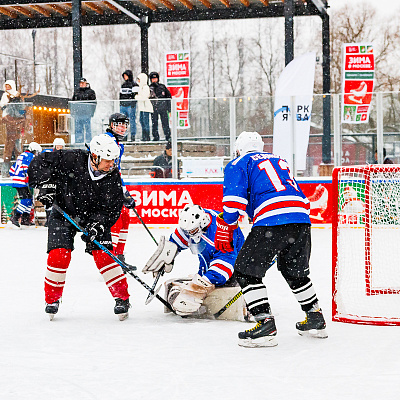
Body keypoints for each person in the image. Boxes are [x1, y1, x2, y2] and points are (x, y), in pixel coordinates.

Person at [214, 131, 327, 347]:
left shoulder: (238, 162)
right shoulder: (279, 160)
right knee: (295, 271)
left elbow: (232, 206)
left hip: (272, 220)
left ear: (238, 148)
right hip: (301, 218)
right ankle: (315, 317)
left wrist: (225, 224)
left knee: (245, 271)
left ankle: (265, 324)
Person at [27, 134, 131, 321]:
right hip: (63, 213)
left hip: (93, 218)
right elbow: (38, 163)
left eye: (113, 160)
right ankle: (52, 300)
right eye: (108, 160)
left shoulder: (113, 176)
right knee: (59, 255)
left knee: (104, 256)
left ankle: (122, 298)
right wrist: (45, 185)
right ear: (94, 156)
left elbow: (112, 208)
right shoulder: (71, 158)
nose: (111, 164)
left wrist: (99, 225)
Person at [143, 204, 245, 318]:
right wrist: (168, 254)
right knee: (182, 286)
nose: (190, 234)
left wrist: (201, 285)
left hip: (236, 267)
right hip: (210, 261)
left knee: (221, 279)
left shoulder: (221, 232)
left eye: (193, 231)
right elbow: (177, 240)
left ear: (203, 223)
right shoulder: (192, 224)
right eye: (187, 231)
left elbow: (226, 263)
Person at [104, 113, 136, 269]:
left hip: (114, 185)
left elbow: (117, 170)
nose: (122, 128)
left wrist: (124, 190)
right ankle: (111, 259)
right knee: (116, 220)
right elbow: (105, 169)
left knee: (125, 218)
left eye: (124, 125)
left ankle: (119, 256)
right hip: (106, 188)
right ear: (111, 125)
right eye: (119, 124)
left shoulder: (118, 143)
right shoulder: (106, 141)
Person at [8, 142, 42, 229]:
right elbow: (29, 169)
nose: (37, 154)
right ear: (34, 150)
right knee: (26, 199)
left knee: (29, 199)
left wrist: (16, 177)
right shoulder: (30, 156)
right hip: (22, 181)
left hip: (17, 181)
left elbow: (11, 170)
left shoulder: (22, 155)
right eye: (37, 152)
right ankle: (15, 217)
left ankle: (25, 219)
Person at [0, 80, 25, 178]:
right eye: (6, 86)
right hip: (9, 124)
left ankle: (19, 170)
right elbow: (3, 106)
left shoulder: (17, 95)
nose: (7, 88)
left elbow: (22, 107)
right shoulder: (4, 95)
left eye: (8, 86)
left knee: (18, 147)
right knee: (8, 148)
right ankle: (5, 172)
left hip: (17, 122)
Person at [71, 77, 96, 144]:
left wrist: (92, 113)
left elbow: (93, 103)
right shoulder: (76, 92)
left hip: (86, 114)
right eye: (80, 83)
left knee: (88, 129)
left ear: (86, 83)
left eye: (83, 83)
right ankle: (79, 142)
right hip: (78, 114)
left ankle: (88, 142)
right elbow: (73, 102)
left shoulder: (90, 92)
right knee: (78, 129)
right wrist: (73, 112)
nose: (81, 85)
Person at [149, 71, 171, 141]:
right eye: (152, 79)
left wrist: (169, 109)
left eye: (155, 78)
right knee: (154, 123)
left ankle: (168, 136)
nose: (154, 80)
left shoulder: (162, 87)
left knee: (165, 123)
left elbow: (169, 97)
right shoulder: (149, 88)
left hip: (163, 108)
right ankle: (155, 136)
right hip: (153, 108)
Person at [119, 70, 139, 142]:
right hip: (123, 105)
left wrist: (133, 104)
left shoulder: (134, 85)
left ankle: (133, 135)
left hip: (130, 106)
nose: (125, 77)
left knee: (132, 120)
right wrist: (120, 104)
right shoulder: (123, 85)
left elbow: (135, 96)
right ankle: (124, 135)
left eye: (126, 76)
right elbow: (120, 95)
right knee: (123, 121)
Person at [135, 73, 153, 141]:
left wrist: (137, 97)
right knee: (142, 121)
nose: (138, 81)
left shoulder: (145, 87)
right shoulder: (140, 87)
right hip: (142, 107)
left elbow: (144, 97)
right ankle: (144, 135)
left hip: (146, 107)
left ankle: (147, 136)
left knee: (145, 122)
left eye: (139, 79)